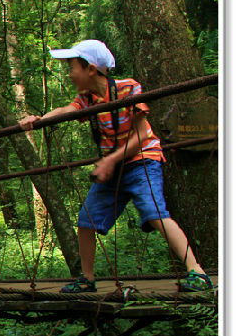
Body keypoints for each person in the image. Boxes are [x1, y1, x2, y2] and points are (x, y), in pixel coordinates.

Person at [19, 39, 212, 293]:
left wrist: (108, 161)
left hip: (142, 160)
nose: (70, 74)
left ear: (90, 69)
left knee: (154, 212)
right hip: (113, 167)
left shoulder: (128, 88)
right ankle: (86, 279)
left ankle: (197, 272)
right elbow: (67, 109)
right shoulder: (87, 99)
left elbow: (142, 136)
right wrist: (39, 120)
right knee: (86, 220)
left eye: (72, 67)